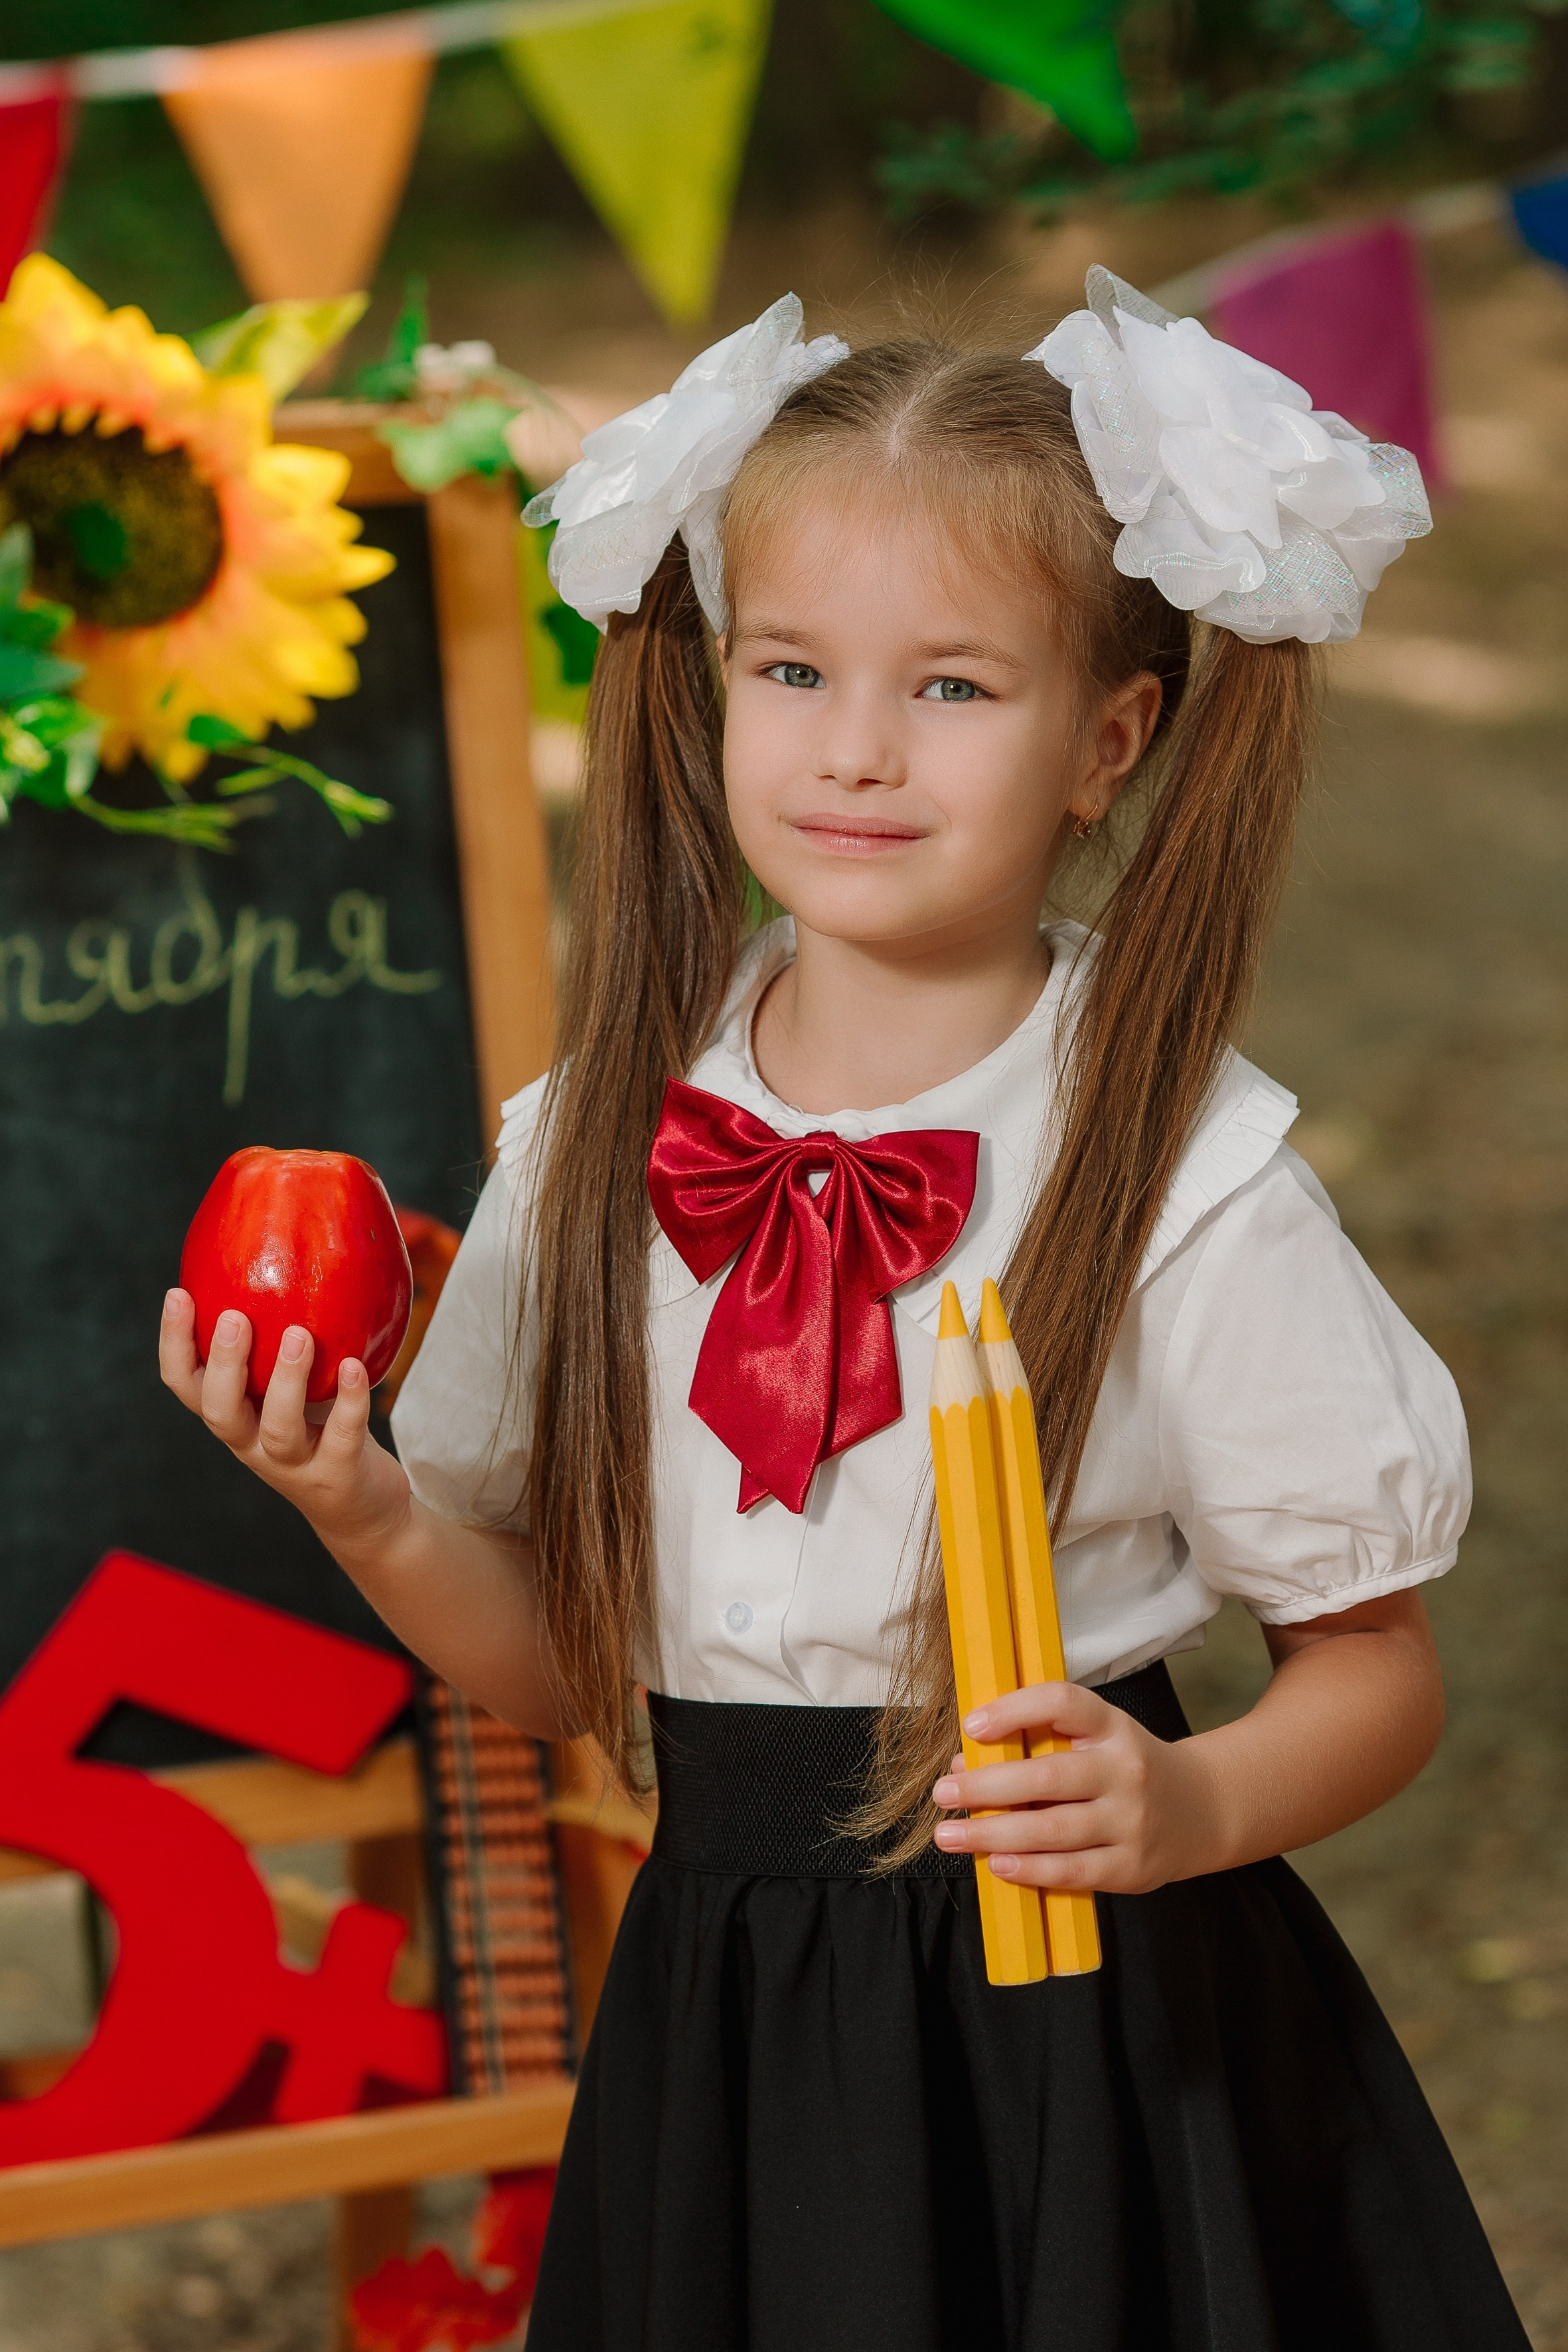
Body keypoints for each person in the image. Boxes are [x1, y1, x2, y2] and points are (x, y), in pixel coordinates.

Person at [160, 272, 1529, 2351]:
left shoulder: (1178, 1178)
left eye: (954, 689)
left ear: (1109, 741)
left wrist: (1186, 1807)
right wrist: (366, 1515)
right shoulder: (598, 1140)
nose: (857, 752)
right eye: (792, 669)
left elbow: (1374, 1670)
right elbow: (570, 1683)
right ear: (711, 690)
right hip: (719, 2012)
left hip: (1080, 2012)